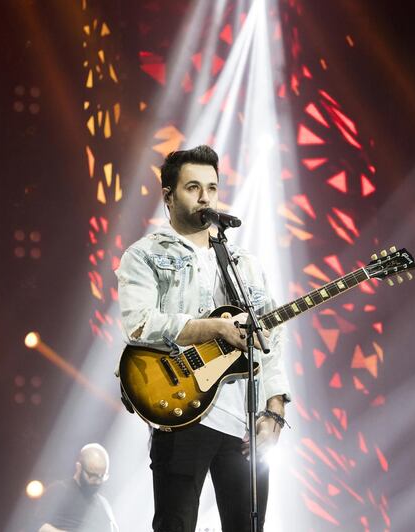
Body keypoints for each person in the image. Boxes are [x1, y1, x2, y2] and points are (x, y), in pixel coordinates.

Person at [115, 145, 290, 532]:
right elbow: (139, 323)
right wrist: (213, 328)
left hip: (243, 421)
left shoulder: (244, 264)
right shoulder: (144, 255)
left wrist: (274, 410)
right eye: (193, 187)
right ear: (168, 196)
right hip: (181, 410)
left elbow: (271, 335)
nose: (205, 196)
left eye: (211, 187)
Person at [38, 443, 119, 532]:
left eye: (102, 476)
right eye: (93, 476)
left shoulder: (104, 504)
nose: (98, 481)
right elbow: (38, 526)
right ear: (79, 467)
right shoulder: (58, 491)